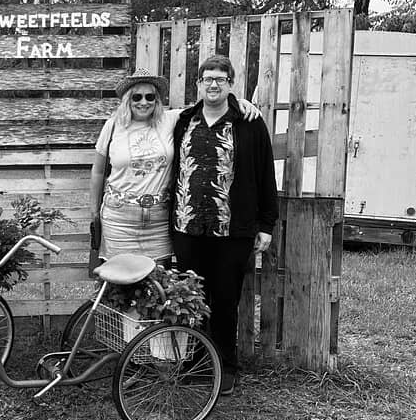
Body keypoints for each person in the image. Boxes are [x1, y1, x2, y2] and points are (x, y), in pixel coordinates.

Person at [170, 54, 278, 396]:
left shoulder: (248, 122)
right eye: (207, 79)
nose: (213, 85)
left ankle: (226, 367)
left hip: (232, 231)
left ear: (231, 85)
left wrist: (266, 224)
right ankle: (197, 363)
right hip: (188, 228)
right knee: (192, 299)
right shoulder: (183, 120)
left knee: (226, 301)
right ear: (198, 84)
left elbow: (265, 174)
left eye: (220, 79)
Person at [89, 70, 261, 263]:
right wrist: (94, 211)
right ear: (127, 99)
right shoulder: (113, 126)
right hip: (119, 217)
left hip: (158, 219)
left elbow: (210, 105)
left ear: (157, 100)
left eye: (150, 97)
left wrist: (237, 102)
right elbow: (97, 171)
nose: (143, 102)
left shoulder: (171, 120)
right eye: (137, 97)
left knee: (157, 282)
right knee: (118, 280)